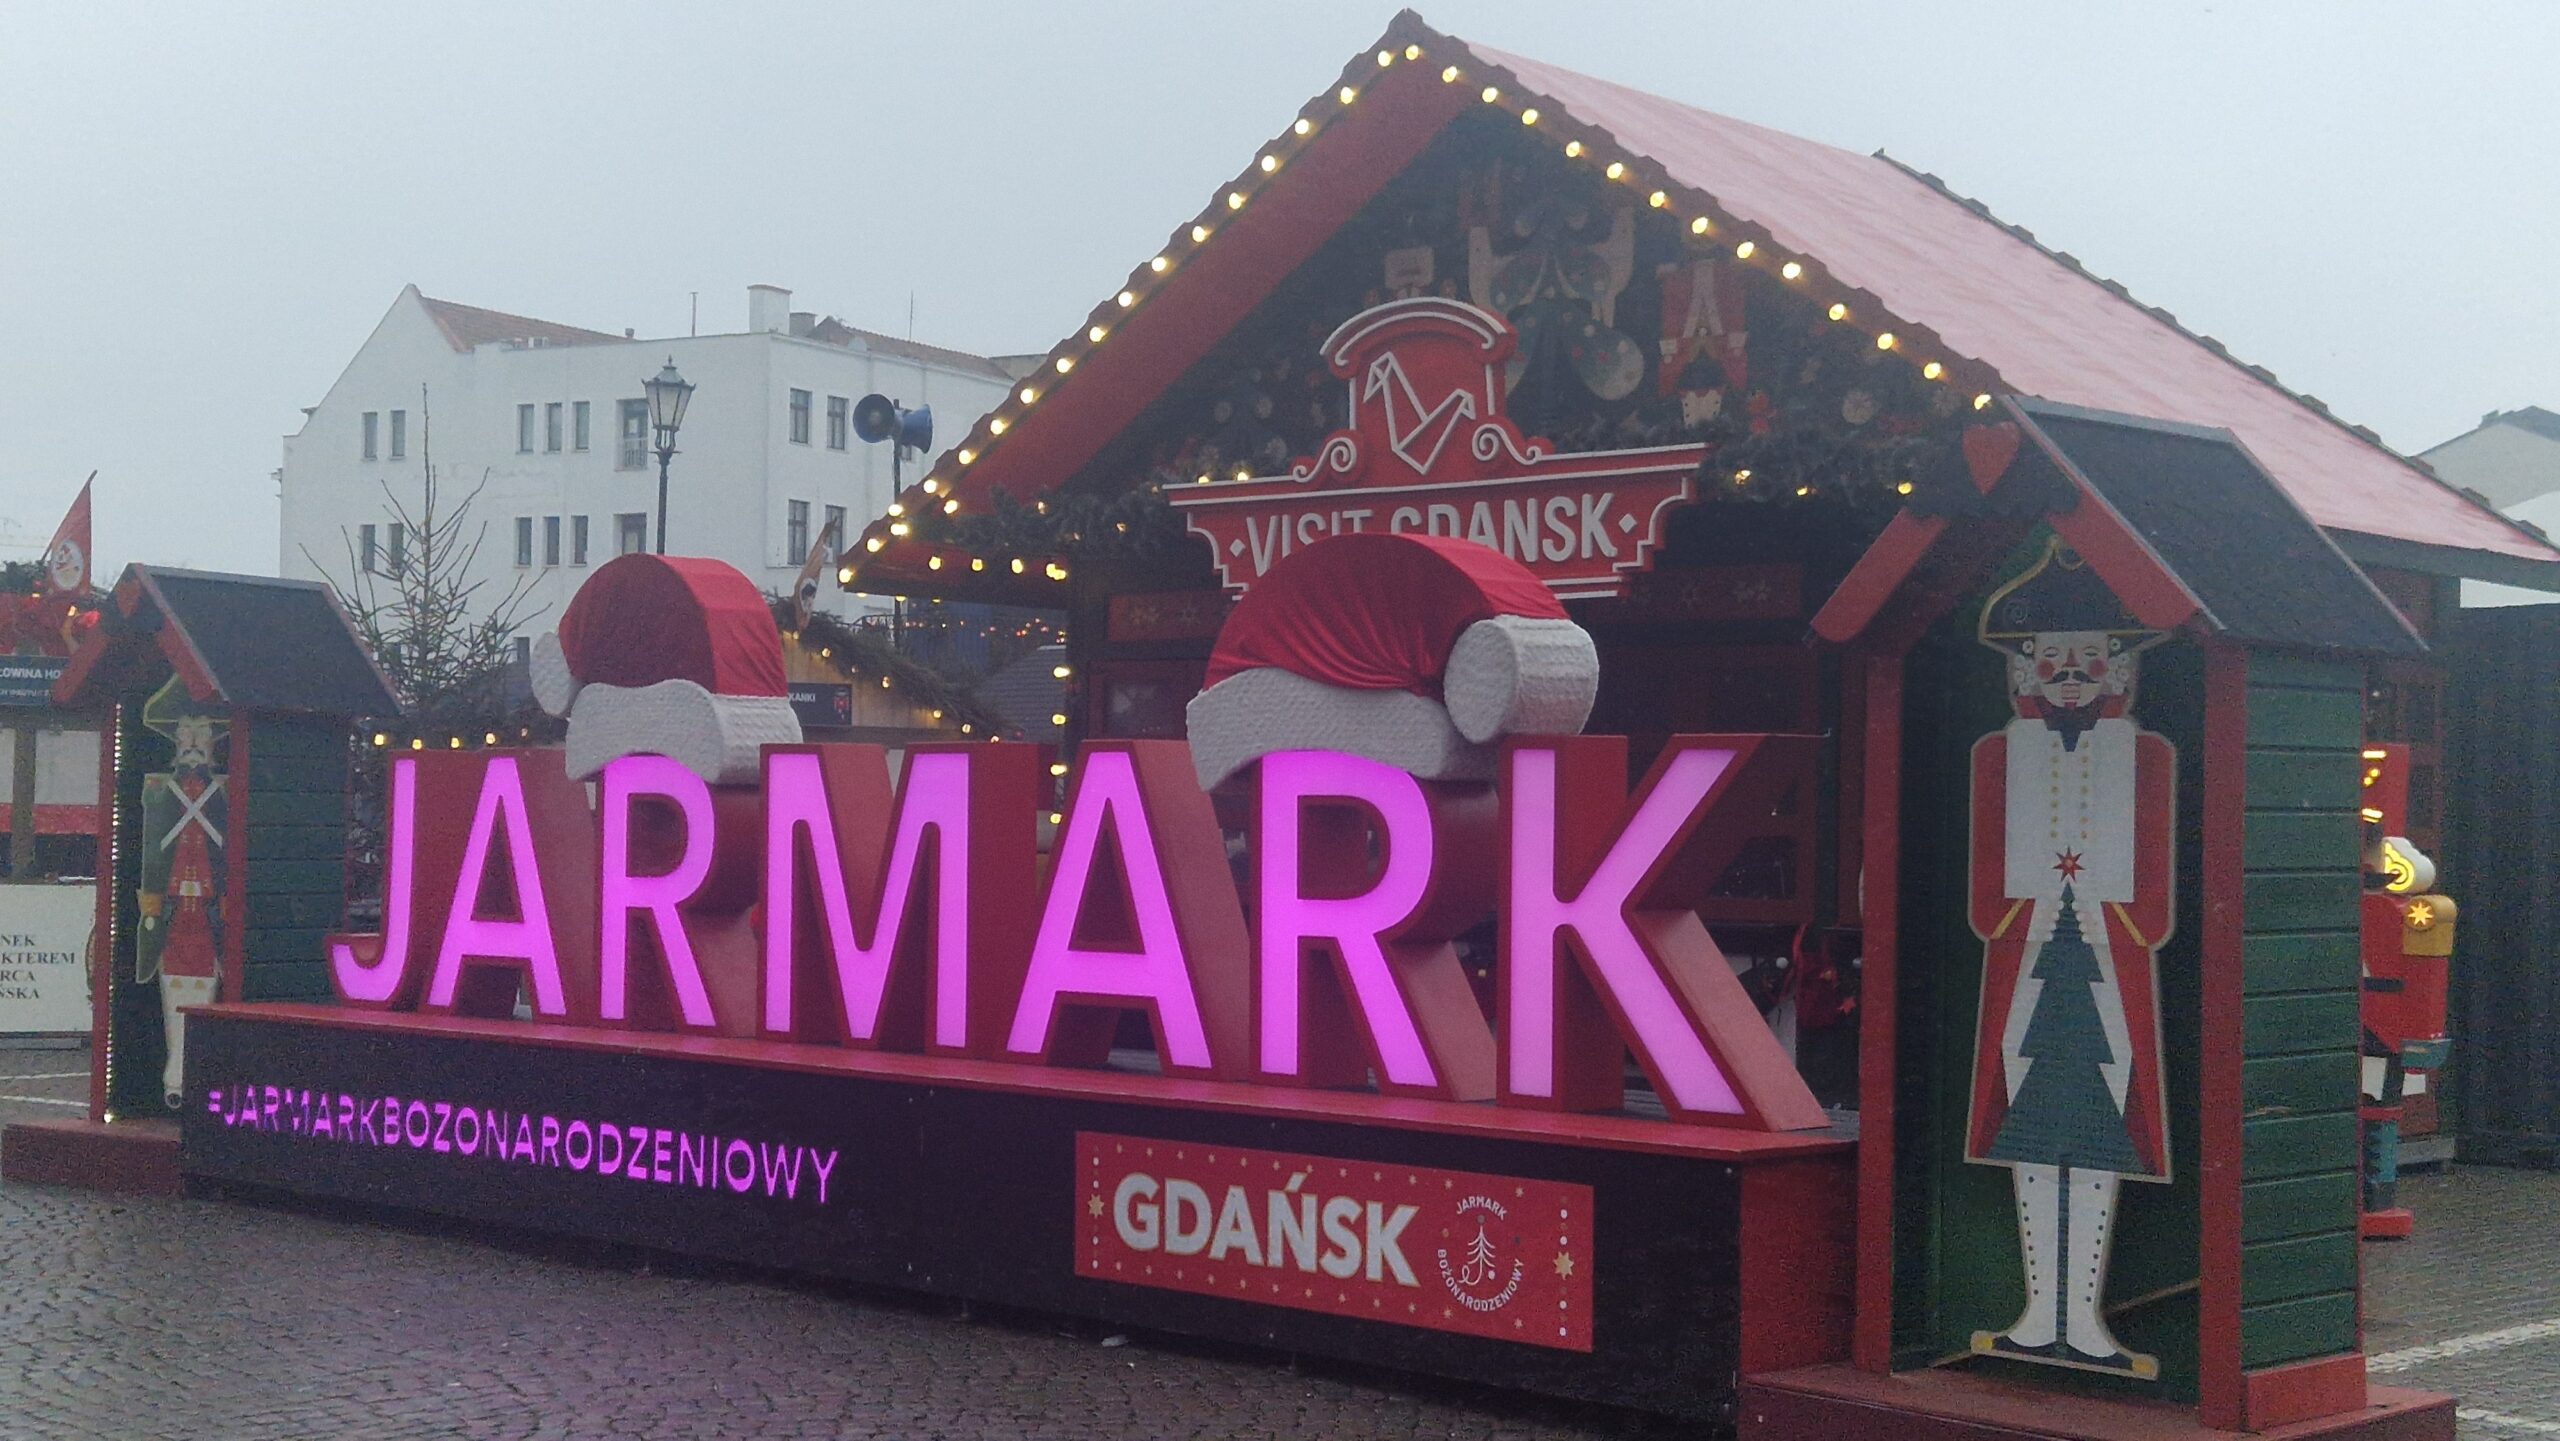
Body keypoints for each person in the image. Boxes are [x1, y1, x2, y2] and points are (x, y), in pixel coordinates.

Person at [1964, 539, 2173, 1379]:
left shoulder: (2144, 754)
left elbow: (2153, 893)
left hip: (2110, 972)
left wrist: (2099, 908)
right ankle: (2036, 1307)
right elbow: (1986, 889)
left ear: (2117, 664)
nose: (2073, 674)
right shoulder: (2000, 752)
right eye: (2054, 658)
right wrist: (2034, 903)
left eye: (2089, 656)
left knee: (2103, 1134)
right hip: (2024, 970)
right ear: (2026, 669)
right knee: (2023, 1128)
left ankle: (2082, 1318)